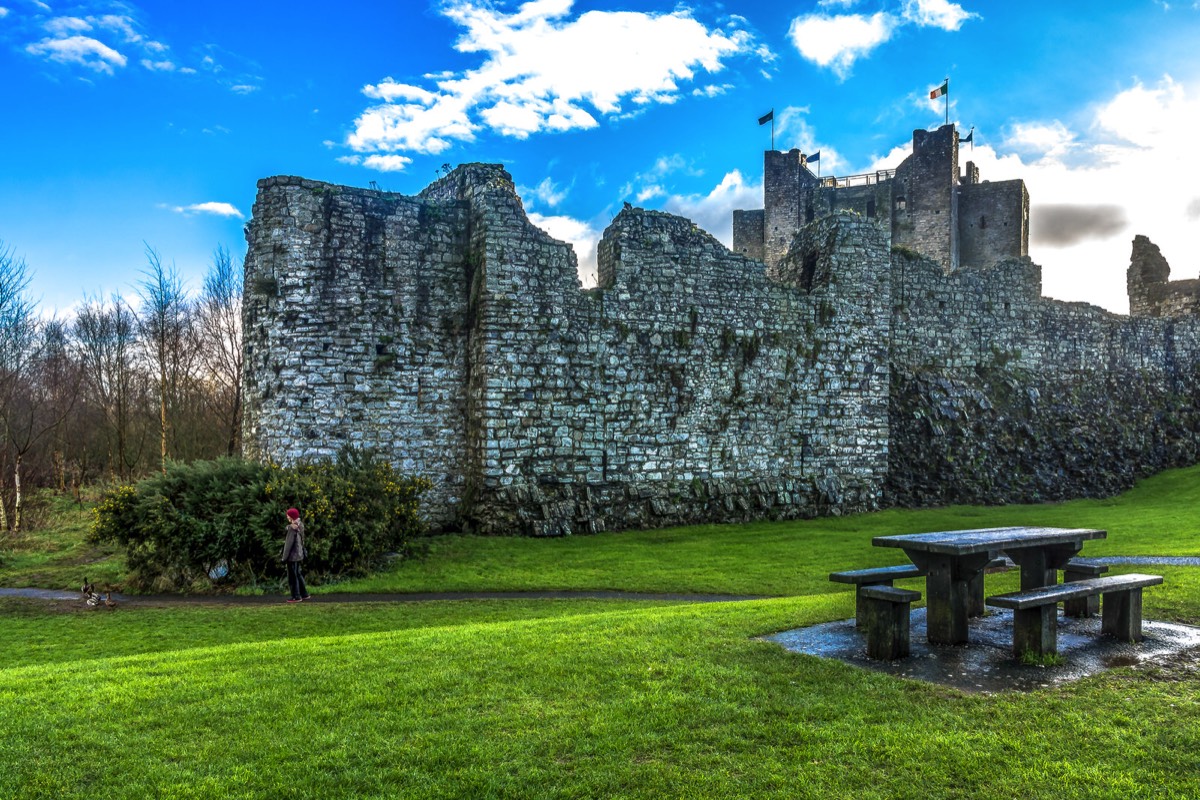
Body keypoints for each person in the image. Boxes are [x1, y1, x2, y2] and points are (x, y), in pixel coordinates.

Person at [281, 507, 310, 603]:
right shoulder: (300, 525)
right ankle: (304, 594)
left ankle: (296, 596)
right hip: (299, 554)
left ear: (291, 517)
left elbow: (288, 545)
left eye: (288, 515)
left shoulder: (292, 529)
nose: (287, 516)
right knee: (298, 574)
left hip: (292, 556)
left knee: (292, 577)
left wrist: (284, 558)